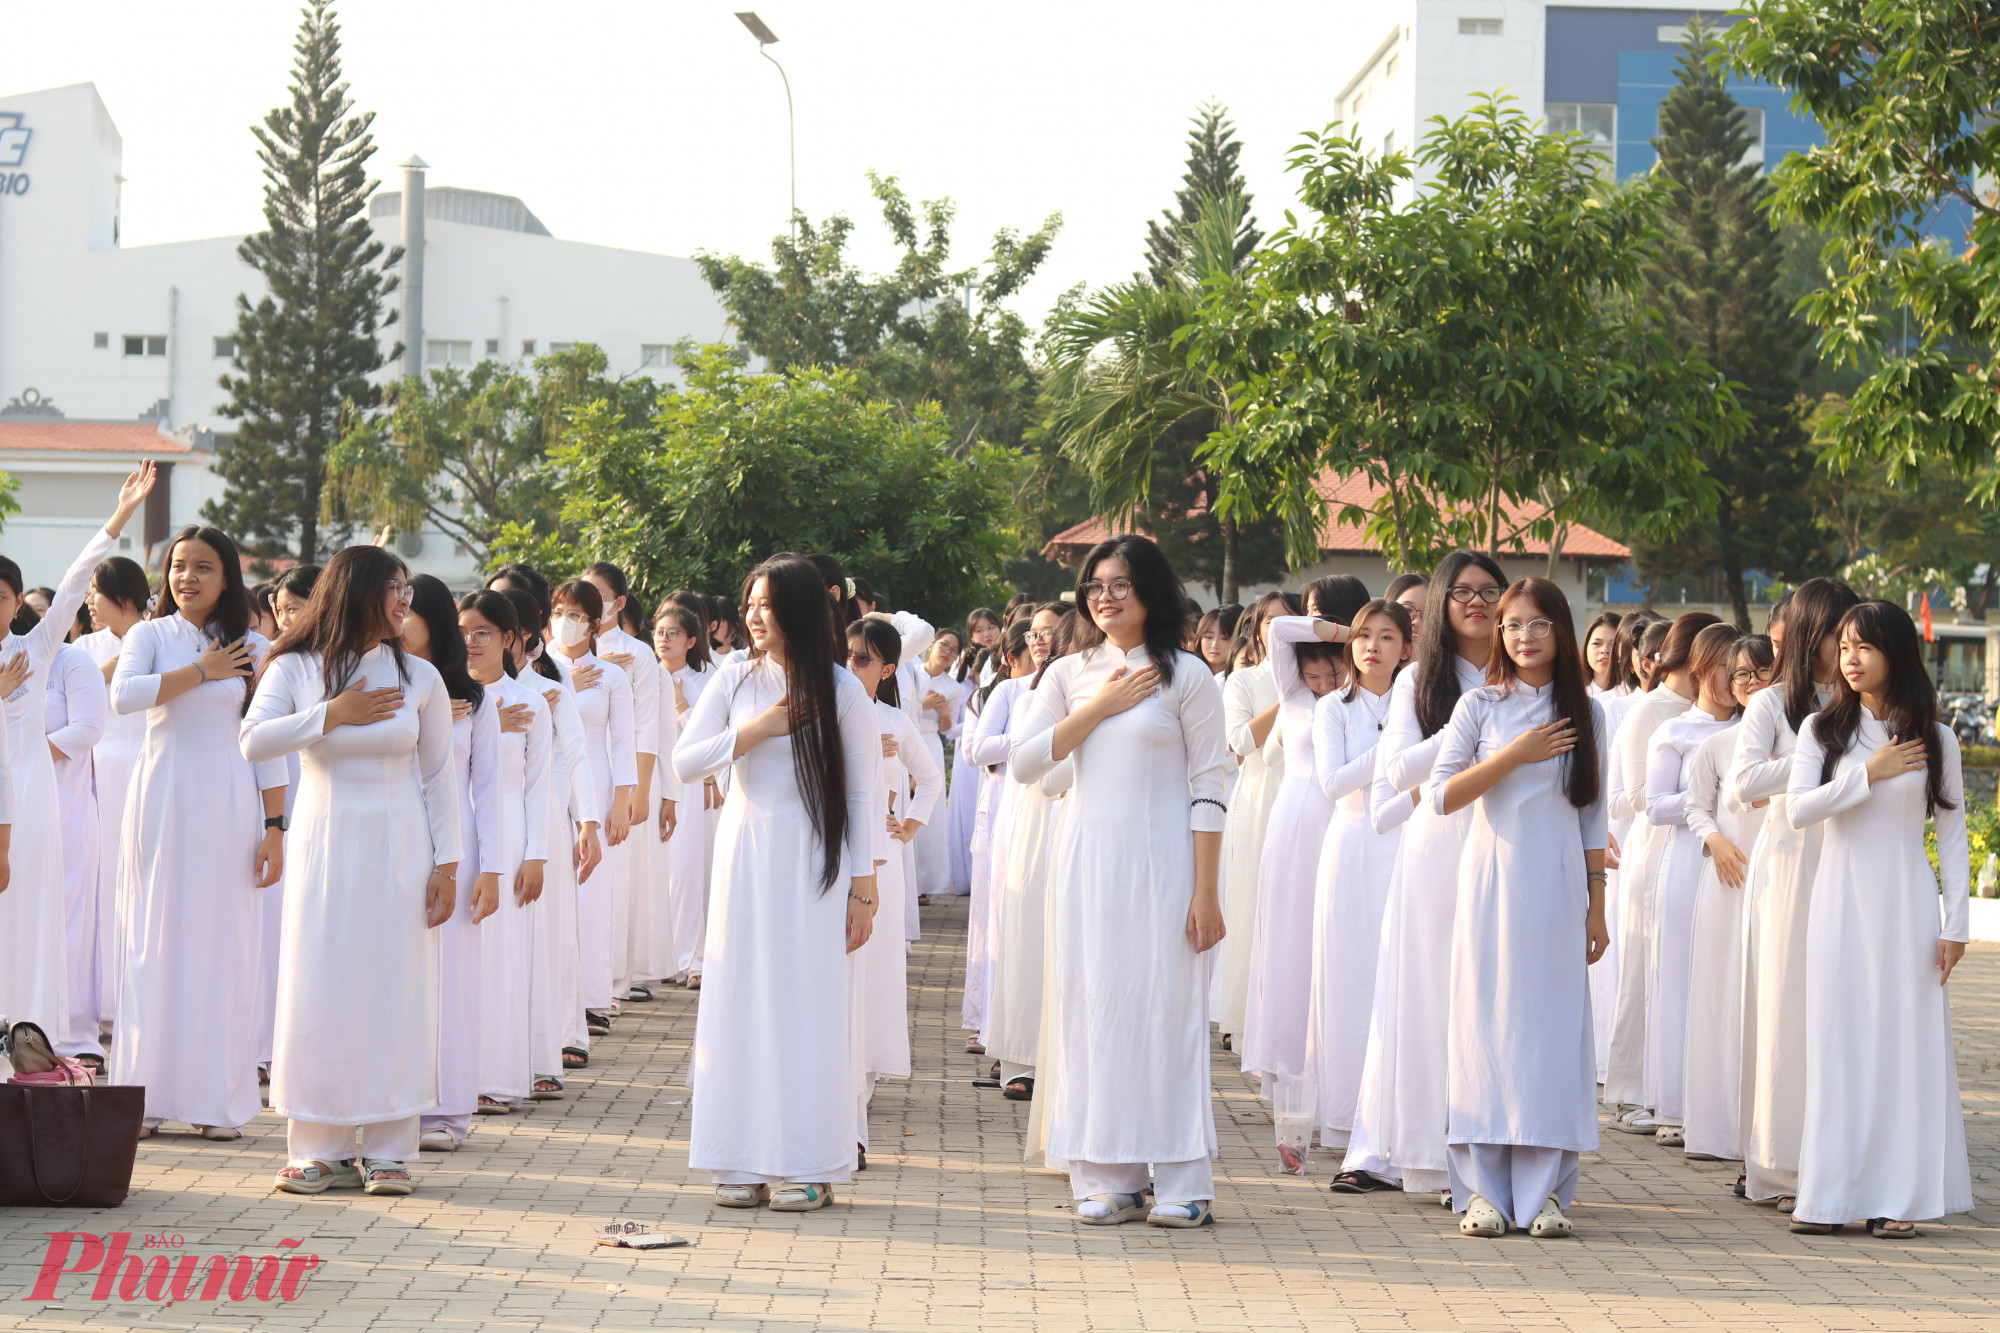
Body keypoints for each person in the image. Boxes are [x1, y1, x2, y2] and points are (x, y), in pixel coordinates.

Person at [1010, 535, 1231, 1228]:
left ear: (1151, 591)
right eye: (1095, 584)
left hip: (1165, 865)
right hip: (1087, 864)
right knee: (1094, 1009)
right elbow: (1022, 763)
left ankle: (1183, 1177)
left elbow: (1209, 784)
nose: (1105, 596)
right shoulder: (1067, 674)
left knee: (1167, 1011)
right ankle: (1108, 1175)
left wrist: (1206, 890)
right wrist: (1098, 708)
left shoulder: (1187, 676)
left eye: (1121, 583)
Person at [245, 545, 460, 1196]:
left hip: (400, 846)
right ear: (358, 590)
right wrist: (329, 715)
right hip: (322, 843)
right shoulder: (296, 666)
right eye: (394, 587)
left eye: (407, 590)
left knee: (396, 989)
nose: (405, 600)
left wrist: (447, 865)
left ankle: (392, 1147)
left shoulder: (420, 678)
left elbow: (440, 778)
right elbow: (254, 739)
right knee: (322, 984)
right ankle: (319, 1146)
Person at [673, 553, 880, 1212]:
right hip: (744, 858)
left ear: (799, 608)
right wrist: (755, 729)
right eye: (750, 603)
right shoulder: (734, 678)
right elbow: (684, 762)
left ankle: (808, 1161)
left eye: (767, 604)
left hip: (814, 864)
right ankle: (739, 1155)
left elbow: (863, 795)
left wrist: (864, 887)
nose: (755, 616)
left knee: (805, 1007)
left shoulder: (842, 690)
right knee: (738, 1000)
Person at [1783, 601, 1972, 1239]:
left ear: (1897, 652)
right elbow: (1798, 811)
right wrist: (1870, 772)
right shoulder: (1821, 731)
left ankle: (1900, 1197)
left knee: (1901, 1047)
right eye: (1844, 649)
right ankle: (1829, 1197)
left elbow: (1951, 836)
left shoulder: (1935, 737)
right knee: (1840, 1042)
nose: (1851, 659)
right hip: (1838, 902)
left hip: (1907, 905)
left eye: (1864, 647)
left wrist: (1956, 925)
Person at [1430, 577, 1609, 1238]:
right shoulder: (1479, 705)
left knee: (1549, 1035)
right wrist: (1514, 755)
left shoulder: (1589, 715)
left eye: (1538, 624)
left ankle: (1548, 1194)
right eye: (1512, 625)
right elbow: (1441, 794)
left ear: (1562, 631)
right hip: (1491, 883)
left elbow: (1592, 817)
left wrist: (1597, 906)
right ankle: (1482, 1191)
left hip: (1559, 886)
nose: (1524, 636)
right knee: (1486, 1030)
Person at [110, 524, 287, 1135]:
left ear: (228, 576)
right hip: (161, 801)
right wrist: (203, 671)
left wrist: (275, 827)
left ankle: (217, 1103)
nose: (187, 577)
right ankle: (146, 1100)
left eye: (203, 567)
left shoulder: (257, 651)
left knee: (222, 947)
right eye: (179, 565)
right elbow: (124, 697)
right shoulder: (149, 634)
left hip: (230, 805)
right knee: (151, 943)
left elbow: (269, 747)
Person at [1340, 551, 1502, 1200]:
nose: (1477, 602)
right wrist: (1476, 727)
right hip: (1437, 846)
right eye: (1461, 591)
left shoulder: (1522, 673)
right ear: (1439, 602)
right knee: (1433, 992)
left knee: (1490, 995)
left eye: (1490, 590)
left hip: (1505, 842)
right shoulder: (1418, 682)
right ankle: (1429, 1150)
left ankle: (1492, 1143)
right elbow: (1401, 769)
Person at [0, 463, 153, 1050]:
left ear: (17, 603)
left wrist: (118, 516)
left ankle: (33, 1034)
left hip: (32, 798)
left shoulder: (38, 647)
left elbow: (72, 583)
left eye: (4, 596)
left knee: (35, 912)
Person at [1730, 578, 1858, 1211]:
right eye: (1838, 632)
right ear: (1813, 634)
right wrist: (1814, 761)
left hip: (1848, 861)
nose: (1848, 644)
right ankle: (1779, 1168)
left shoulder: (1867, 700)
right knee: (1784, 1011)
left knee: (1838, 1010)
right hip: (1787, 862)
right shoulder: (1771, 704)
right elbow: (1743, 784)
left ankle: (1839, 1159)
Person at [1242, 577, 1369, 1102]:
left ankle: (1338, 1069)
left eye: (1331, 670)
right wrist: (1341, 631)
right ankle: (1290, 1071)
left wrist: (1352, 648)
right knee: (1291, 945)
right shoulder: (1294, 691)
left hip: (1344, 825)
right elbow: (1279, 630)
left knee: (1337, 945)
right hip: (1294, 825)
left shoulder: (1363, 695)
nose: (1322, 680)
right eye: (1313, 671)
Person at [1602, 611, 1720, 1135]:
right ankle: (1630, 1089)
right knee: (1643, 974)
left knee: (1688, 974)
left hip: (1704, 854)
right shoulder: (1648, 713)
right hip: (1650, 853)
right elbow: (1629, 797)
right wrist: (1698, 797)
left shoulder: (1721, 712)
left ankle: (1679, 1087)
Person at [1307, 599, 1412, 1183]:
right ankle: (1347, 1119)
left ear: (1407, 647)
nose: (1373, 646)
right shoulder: (1332, 708)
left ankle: (1395, 1117)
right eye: (1364, 635)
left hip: (1402, 843)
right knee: (1348, 979)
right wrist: (1395, 748)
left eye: (1388, 636)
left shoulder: (1419, 701)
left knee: (1393, 976)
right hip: (1349, 845)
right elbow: (1332, 781)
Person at [403, 575, 503, 1150]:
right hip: (389, 841)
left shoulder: (477, 699)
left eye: (407, 610)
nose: (395, 618)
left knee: (452, 983)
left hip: (454, 852)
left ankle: (444, 1112)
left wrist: (490, 868)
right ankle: (390, 1104)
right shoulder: (375, 682)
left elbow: (487, 791)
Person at [1639, 623, 1742, 1147]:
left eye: (1747, 670)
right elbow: (1654, 805)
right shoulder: (1675, 731)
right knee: (1679, 978)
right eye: (1729, 668)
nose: (1737, 679)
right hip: (1687, 860)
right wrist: (1710, 800)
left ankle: (1728, 1102)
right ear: (1701, 669)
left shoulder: (1757, 729)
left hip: (1740, 865)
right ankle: (1676, 1106)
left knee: (1730, 981)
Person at [845, 616, 942, 1144]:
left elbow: (929, 777)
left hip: (878, 862)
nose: (851, 666)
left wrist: (906, 827)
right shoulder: (822, 709)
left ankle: (866, 1070)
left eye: (863, 659)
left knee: (876, 968)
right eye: (847, 655)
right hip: (829, 857)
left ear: (886, 669)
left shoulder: (895, 722)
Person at [1680, 633, 1774, 1167]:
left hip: (1778, 878)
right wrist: (1715, 842)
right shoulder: (1715, 746)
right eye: (1742, 675)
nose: (1752, 683)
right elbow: (1697, 807)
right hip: (1726, 882)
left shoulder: (1799, 743)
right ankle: (1718, 1128)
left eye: (1763, 672)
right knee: (1722, 999)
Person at [457, 591, 552, 1122]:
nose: (471, 643)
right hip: (455, 835)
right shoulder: (448, 696)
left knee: (500, 960)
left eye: (483, 633)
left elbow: (539, 785)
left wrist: (536, 854)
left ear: (510, 639)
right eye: (464, 632)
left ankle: (493, 1077)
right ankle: (451, 1076)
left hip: (510, 841)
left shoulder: (532, 702)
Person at [549, 580, 636, 1037]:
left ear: (595, 622)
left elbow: (623, 741)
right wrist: (562, 682)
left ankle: (593, 998)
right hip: (545, 783)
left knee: (593, 892)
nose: (568, 621)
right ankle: (551, 1000)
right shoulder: (535, 668)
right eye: (560, 611)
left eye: (578, 614)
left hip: (596, 786)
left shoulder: (612, 676)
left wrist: (621, 801)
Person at [76, 556, 152, 1048]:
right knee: (100, 884)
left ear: (123, 597)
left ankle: (138, 1002)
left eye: (95, 591)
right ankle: (99, 1006)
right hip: (98, 771)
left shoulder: (160, 637)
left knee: (142, 883)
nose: (89, 600)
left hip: (147, 767)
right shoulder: (83, 647)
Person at [1214, 591, 1295, 1051]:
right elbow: (1240, 742)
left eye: (1291, 621)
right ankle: (1245, 1022)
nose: (1280, 630)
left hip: (1305, 794)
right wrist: (1288, 698)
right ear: (1257, 630)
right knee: (1252, 903)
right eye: (1271, 623)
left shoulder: (1323, 674)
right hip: (1260, 795)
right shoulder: (1243, 681)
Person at [582, 562, 664, 1005]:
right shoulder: (560, 653)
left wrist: (641, 788)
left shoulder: (638, 654)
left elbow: (647, 725)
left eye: (598, 597)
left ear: (618, 603)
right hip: (576, 777)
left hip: (618, 778)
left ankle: (611, 984)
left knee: (614, 882)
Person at [962, 617, 1035, 1051]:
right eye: (1033, 642)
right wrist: (1031, 741)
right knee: (995, 919)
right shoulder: (1002, 693)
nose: (1044, 647)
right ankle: (989, 1019)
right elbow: (977, 750)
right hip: (1003, 808)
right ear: (1010, 659)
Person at [46, 623, 107, 1064]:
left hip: (65, 811)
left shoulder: (71, 661)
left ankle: (74, 1037)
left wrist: (26, 748)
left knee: (70, 917)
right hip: (15, 812)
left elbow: (87, 727)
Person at [653, 598, 713, 988]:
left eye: (673, 633)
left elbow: (709, 737)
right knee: (658, 871)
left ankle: (695, 957)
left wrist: (679, 703)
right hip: (652, 781)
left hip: (692, 786)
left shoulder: (706, 682)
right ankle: (660, 957)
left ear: (691, 640)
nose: (664, 639)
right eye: (659, 632)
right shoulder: (642, 674)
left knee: (689, 869)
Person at [910, 628, 963, 903]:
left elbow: (947, 727)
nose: (947, 652)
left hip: (930, 743)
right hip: (905, 739)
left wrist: (942, 711)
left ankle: (925, 883)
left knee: (928, 812)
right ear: (932, 645)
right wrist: (923, 704)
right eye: (944, 645)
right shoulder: (910, 672)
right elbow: (901, 709)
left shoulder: (953, 688)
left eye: (953, 650)